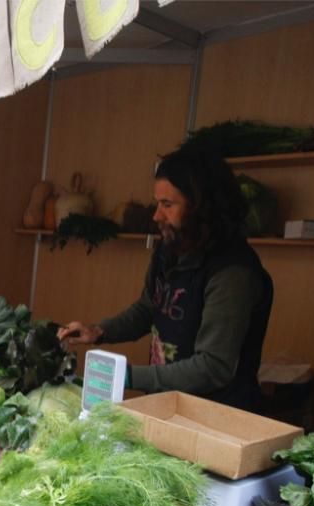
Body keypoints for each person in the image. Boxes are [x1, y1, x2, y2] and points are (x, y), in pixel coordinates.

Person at [57, 147, 273, 412]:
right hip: (169, 408)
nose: (156, 215)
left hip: (215, 418)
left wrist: (127, 376)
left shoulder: (233, 273)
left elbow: (212, 367)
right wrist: (99, 331)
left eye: (167, 205)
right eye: (157, 203)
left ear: (202, 208)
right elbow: (149, 308)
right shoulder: (172, 248)